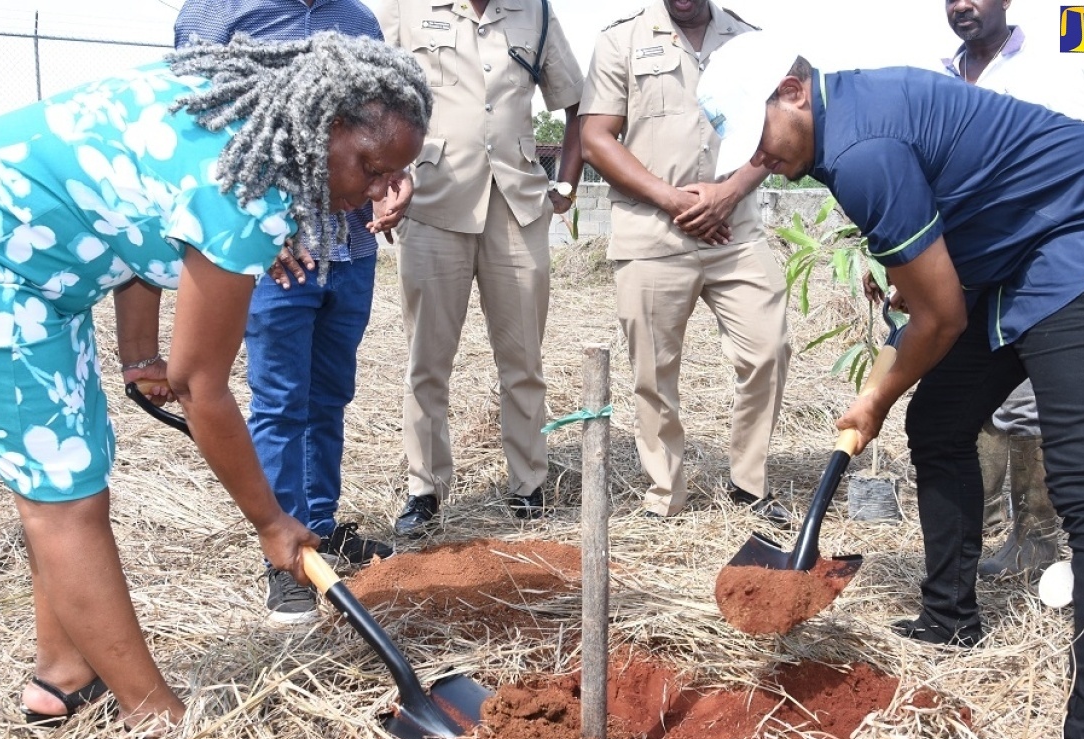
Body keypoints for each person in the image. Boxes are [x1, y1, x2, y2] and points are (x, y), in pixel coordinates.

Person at [0, 34, 430, 732]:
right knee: (64, 493)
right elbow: (202, 386)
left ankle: (61, 672)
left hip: (28, 263)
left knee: (72, 462)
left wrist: (136, 355)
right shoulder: (246, 188)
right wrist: (271, 522)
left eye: (394, 175)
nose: (375, 192)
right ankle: (154, 718)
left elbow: (137, 211)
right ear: (323, 124)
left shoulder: (237, 118)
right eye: (370, 166)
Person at [698, 30, 1084, 739]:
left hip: (1080, 236)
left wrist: (875, 395)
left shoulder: (860, 149)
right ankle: (950, 615)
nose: (759, 159)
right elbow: (932, 280)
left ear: (793, 91)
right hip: (1006, 262)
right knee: (943, 421)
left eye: (758, 139)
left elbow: (939, 316)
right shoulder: (838, 127)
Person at [175, 0, 400, 625]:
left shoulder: (357, 20)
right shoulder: (220, 13)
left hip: (349, 247)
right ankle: (286, 559)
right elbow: (196, 129)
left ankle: (319, 531)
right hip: (272, 255)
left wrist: (393, 181)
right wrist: (255, 232)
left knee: (329, 397)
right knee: (279, 402)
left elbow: (377, 129)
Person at [374, 0, 584, 535]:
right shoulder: (405, 8)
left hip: (517, 205)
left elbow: (575, 100)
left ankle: (528, 484)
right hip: (434, 202)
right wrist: (384, 174)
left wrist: (566, 179)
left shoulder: (534, 11)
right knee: (427, 362)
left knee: (523, 360)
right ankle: (425, 489)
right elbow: (367, 91)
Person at [579, 1, 791, 525]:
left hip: (732, 229)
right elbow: (595, 139)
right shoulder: (620, 41)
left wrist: (728, 193)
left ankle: (749, 486)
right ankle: (664, 492)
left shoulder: (749, 40)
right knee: (652, 370)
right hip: (652, 230)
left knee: (770, 347)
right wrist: (675, 202)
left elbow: (779, 129)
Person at [939, 0, 1084, 579]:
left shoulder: (1051, 65)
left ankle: (1037, 539)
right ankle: (982, 535)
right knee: (982, 399)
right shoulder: (943, 70)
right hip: (969, 264)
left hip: (1038, 259)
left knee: (1028, 404)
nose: (963, 6)